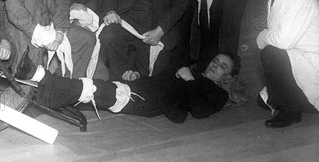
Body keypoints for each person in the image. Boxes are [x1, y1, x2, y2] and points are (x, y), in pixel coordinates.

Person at [17, 48, 240, 124]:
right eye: (215, 60)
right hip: (143, 88)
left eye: (222, 66)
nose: (215, 65)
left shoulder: (218, 92)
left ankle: (39, 76)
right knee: (91, 92)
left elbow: (200, 111)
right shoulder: (191, 71)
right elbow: (160, 79)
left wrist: (191, 82)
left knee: (95, 89)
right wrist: (137, 76)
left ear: (227, 77)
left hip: (150, 101)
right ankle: (40, 100)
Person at [254, 0, 319, 128]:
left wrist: (263, 35)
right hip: (299, 55)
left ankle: (291, 111)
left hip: (318, 63)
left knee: (271, 52)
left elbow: (283, 41)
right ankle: (288, 100)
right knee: (261, 101)